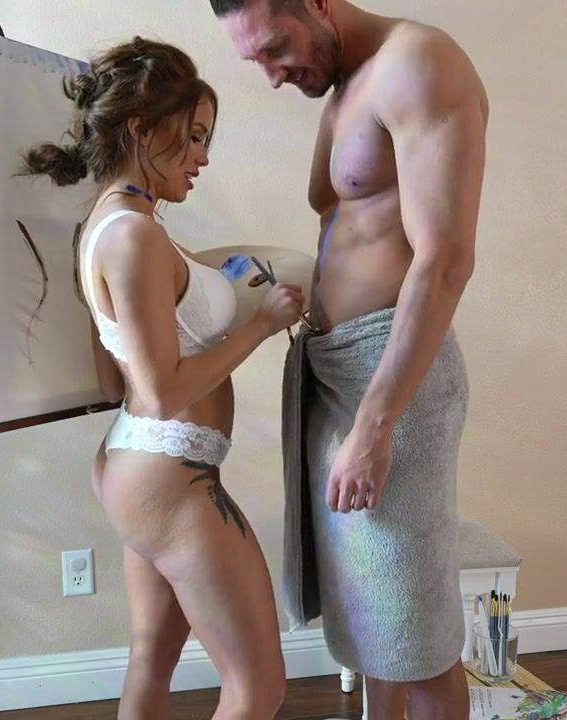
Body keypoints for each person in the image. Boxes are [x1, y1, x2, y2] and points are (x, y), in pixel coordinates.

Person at [208, 1, 489, 718]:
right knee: (371, 617)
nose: (274, 76)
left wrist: (375, 424)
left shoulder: (418, 64)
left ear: (319, 4)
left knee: (416, 637)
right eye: (257, 62)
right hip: (337, 371)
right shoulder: (345, 82)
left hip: (393, 380)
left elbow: (445, 260)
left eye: (277, 47)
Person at [21, 37, 304, 720]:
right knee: (258, 687)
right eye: (194, 136)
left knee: (153, 656)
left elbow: (114, 381)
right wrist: (260, 325)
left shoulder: (110, 225)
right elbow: (159, 393)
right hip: (170, 477)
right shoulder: (135, 237)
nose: (203, 157)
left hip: (146, 469)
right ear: (142, 129)